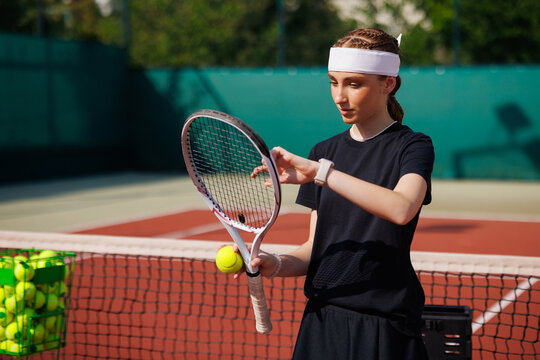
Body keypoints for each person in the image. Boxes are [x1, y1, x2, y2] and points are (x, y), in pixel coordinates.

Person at [247, 28, 434, 360]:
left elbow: (402, 208)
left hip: (385, 328)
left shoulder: (413, 146)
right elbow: (313, 250)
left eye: (354, 83)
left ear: (388, 83)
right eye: (334, 82)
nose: (339, 96)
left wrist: (322, 173)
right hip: (322, 322)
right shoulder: (324, 150)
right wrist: (275, 264)